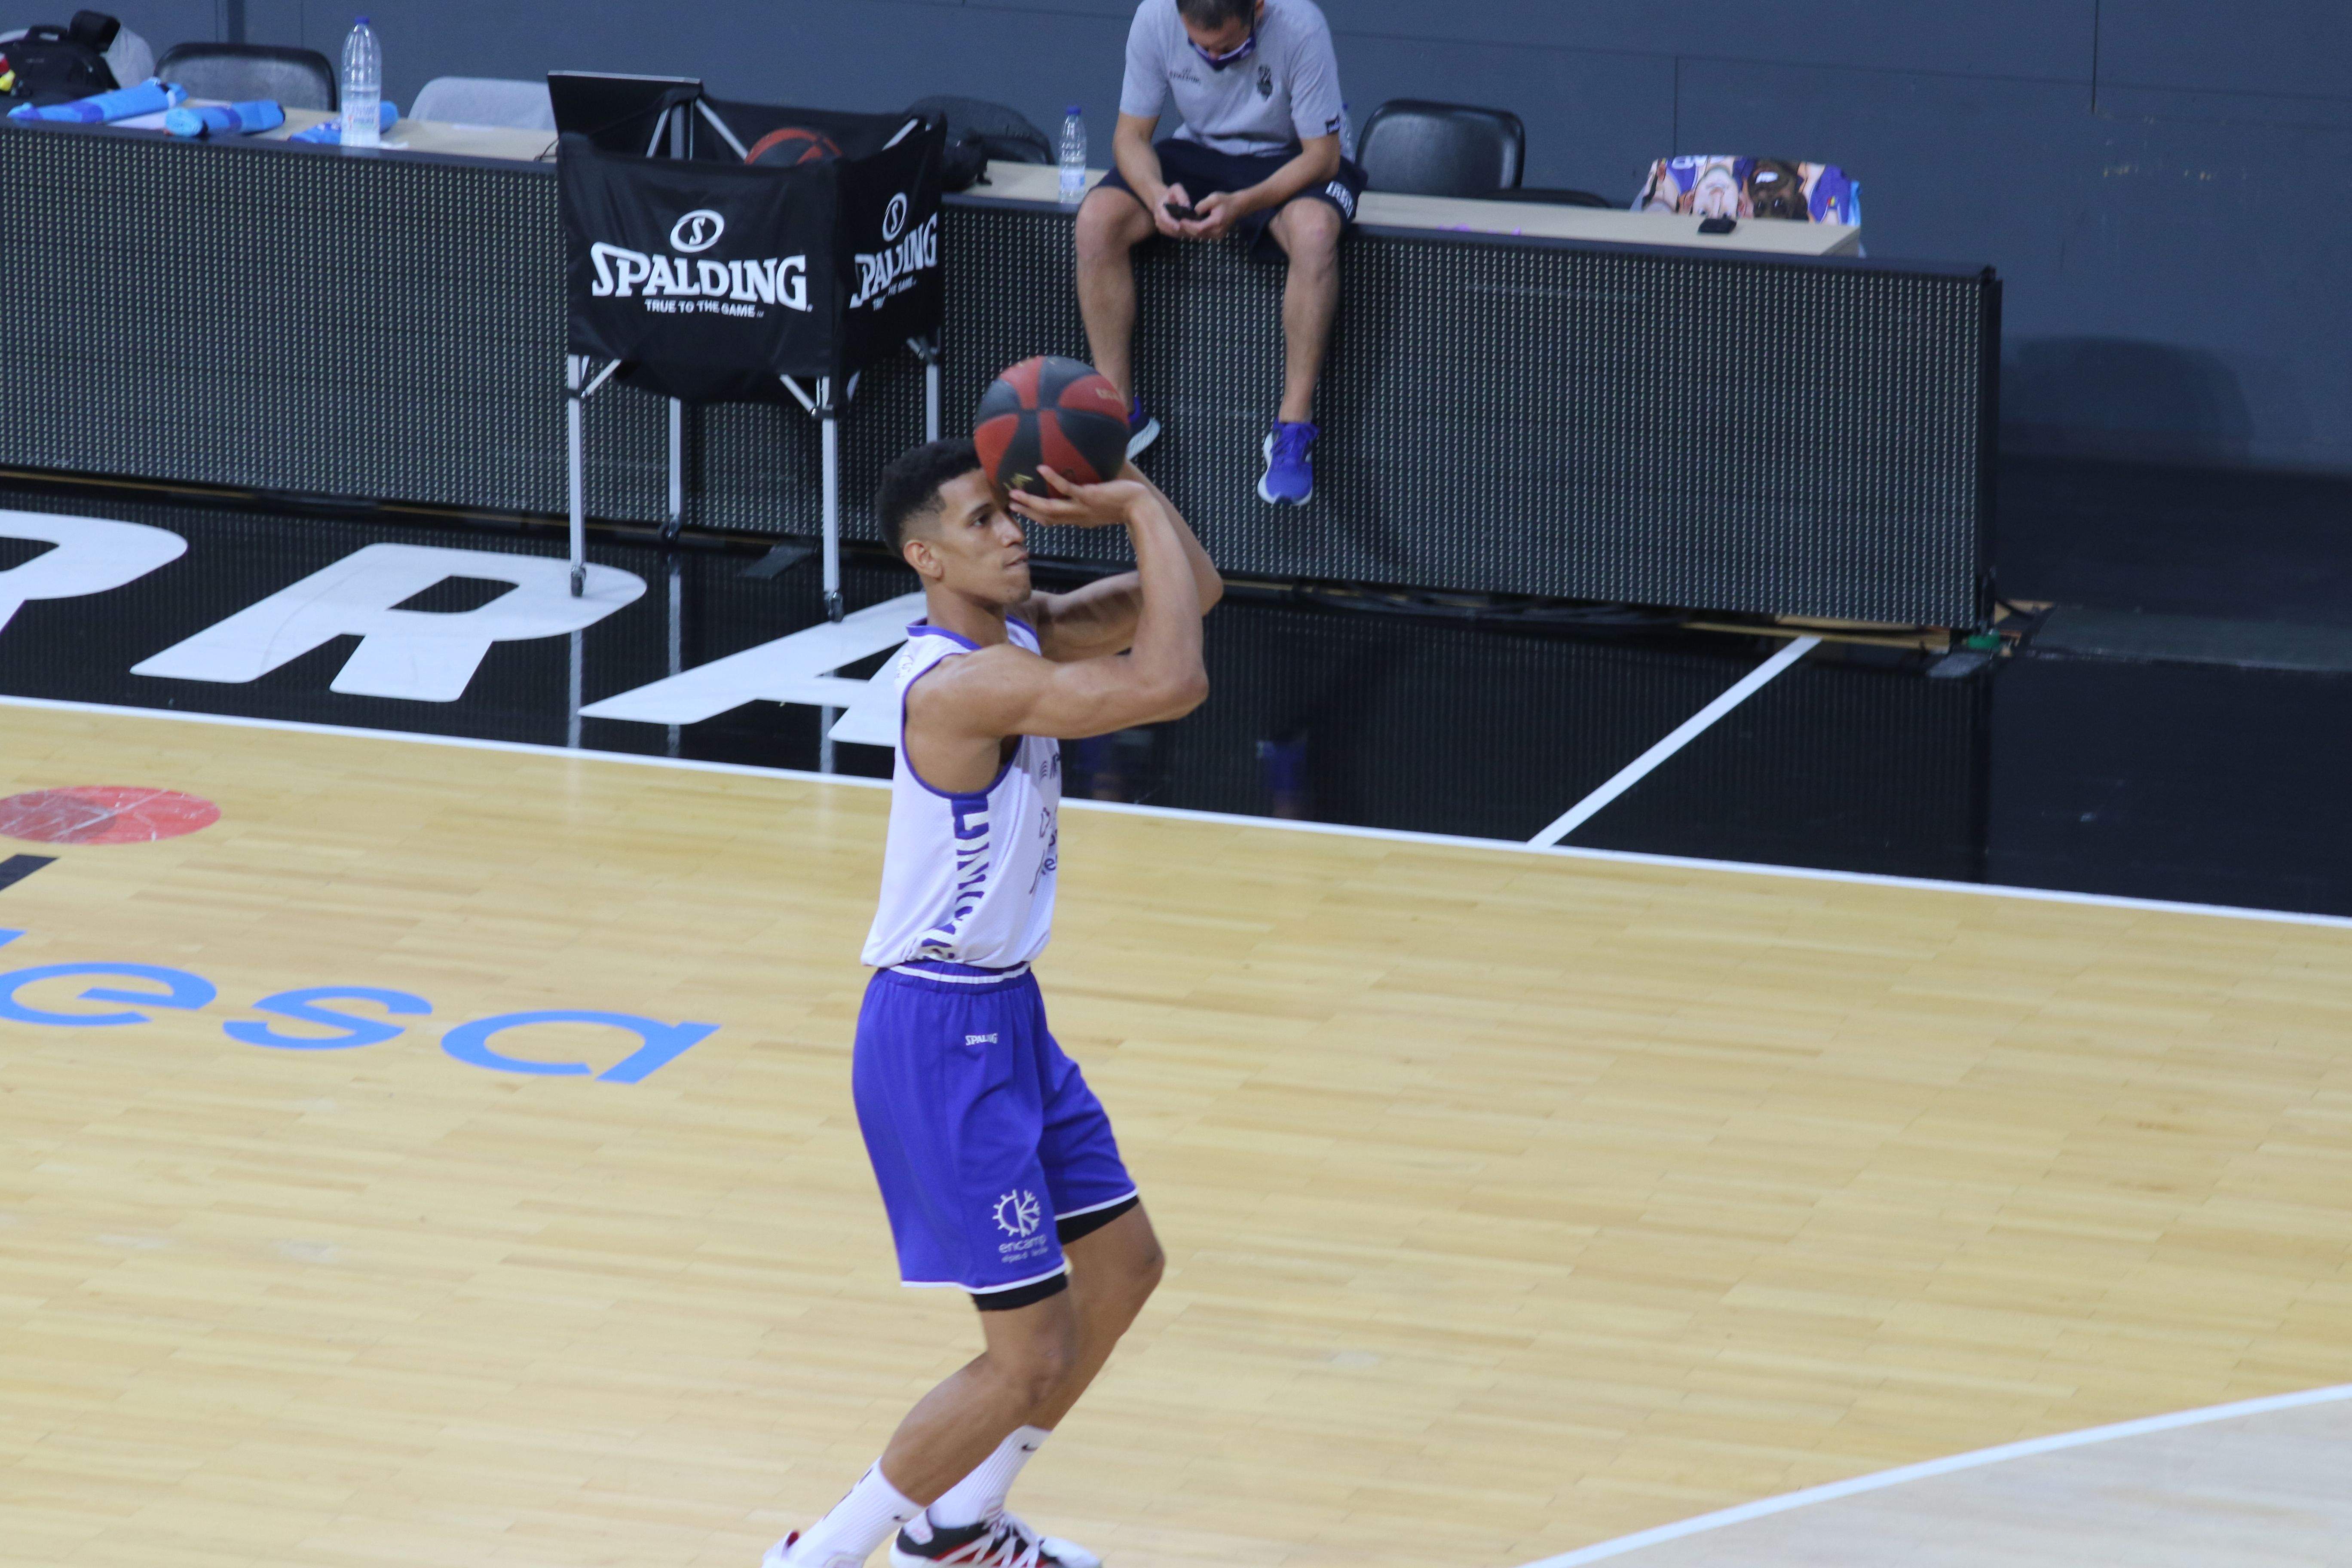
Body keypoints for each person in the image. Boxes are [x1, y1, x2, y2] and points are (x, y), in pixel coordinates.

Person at [765, 441, 1221, 1568]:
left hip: (1007, 1012)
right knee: (1027, 1356)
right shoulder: (964, 685)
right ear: (926, 558)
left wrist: (1138, 498)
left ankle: (961, 1527)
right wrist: (1129, 504)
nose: (1012, 533)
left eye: (1010, 513)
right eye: (982, 522)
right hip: (937, 1033)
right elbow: (1173, 683)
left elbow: (1195, 589)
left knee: (1125, 1267)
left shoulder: (1025, 636)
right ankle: (821, 1555)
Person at [1075, 0, 1362, 507]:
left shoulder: (1300, 26)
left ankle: (1292, 431)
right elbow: (1131, 136)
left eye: (1226, 47)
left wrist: (1244, 204)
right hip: (1200, 151)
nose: (1212, 58)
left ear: (1258, 8)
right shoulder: (1155, 17)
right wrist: (1155, 194)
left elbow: (1323, 156)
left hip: (1292, 157)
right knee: (1097, 220)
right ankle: (1120, 415)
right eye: (1199, 48)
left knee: (1316, 233)